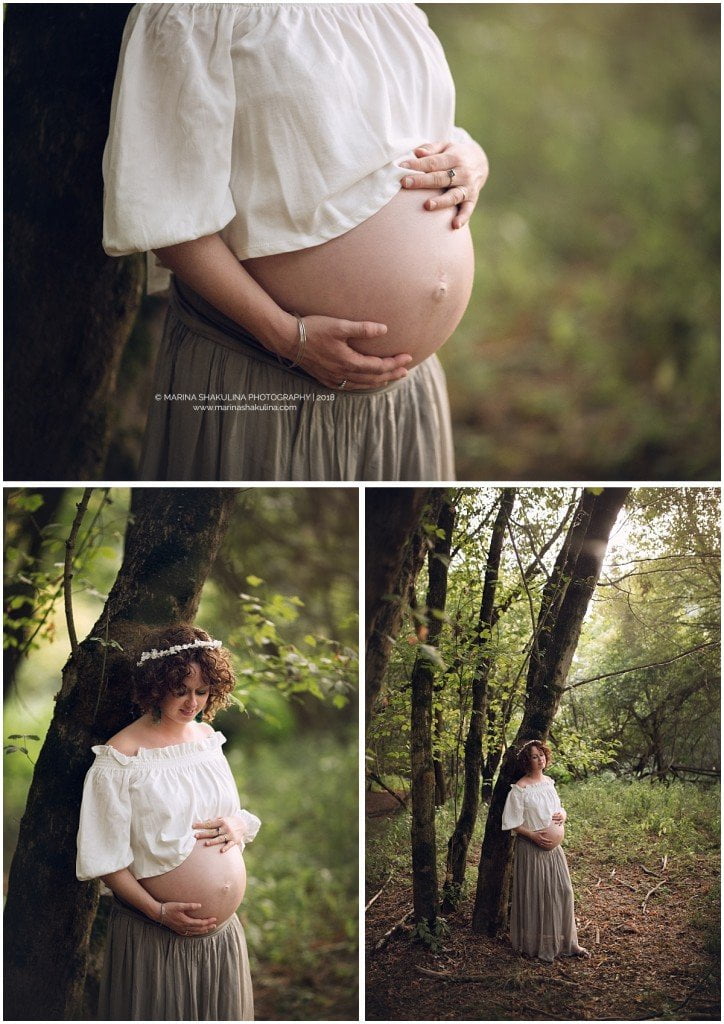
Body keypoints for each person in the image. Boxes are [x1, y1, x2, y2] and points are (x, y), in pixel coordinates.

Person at [102, 3, 489, 481]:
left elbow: (428, 135)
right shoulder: (193, 13)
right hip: (269, 375)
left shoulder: (392, 8)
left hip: (404, 392)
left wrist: (472, 159)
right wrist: (291, 338)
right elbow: (167, 212)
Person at [76, 625, 261, 1021]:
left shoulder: (207, 739)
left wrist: (237, 826)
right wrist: (159, 912)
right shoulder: (121, 758)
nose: (192, 701)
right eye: (181, 690)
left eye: (202, 690)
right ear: (156, 686)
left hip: (221, 938)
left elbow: (230, 813)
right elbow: (106, 859)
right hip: (157, 936)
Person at [501, 740, 589, 962]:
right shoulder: (520, 790)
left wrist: (564, 815)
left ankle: (569, 942)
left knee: (563, 892)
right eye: (534, 756)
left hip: (554, 852)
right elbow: (512, 823)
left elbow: (558, 808)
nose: (539, 759)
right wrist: (532, 835)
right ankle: (539, 946)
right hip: (532, 850)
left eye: (541, 754)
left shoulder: (549, 782)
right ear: (526, 761)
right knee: (538, 897)